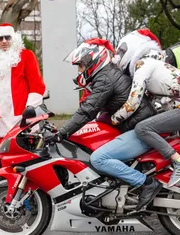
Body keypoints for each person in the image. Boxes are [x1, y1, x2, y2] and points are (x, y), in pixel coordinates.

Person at [90, 29, 180, 211]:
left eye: (121, 52)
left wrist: (112, 119)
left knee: (142, 128)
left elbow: (132, 103)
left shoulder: (143, 65)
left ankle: (179, 162)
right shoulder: (152, 64)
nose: (119, 56)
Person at [48, 38, 156, 207]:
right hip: (135, 126)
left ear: (93, 62)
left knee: (99, 159)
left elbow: (87, 110)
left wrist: (62, 133)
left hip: (141, 130)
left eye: (81, 66)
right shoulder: (107, 74)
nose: (79, 71)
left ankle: (146, 183)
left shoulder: (105, 79)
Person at [0, 23, 46, 140]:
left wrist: (30, 108)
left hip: (23, 119)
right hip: (1, 122)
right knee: (4, 156)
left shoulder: (26, 56)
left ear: (14, 38)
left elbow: (37, 85)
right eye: (0, 38)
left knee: (26, 156)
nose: (4, 41)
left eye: (7, 37)